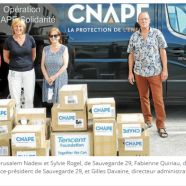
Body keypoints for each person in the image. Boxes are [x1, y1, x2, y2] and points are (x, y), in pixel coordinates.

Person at [127, 12, 168, 138]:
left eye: (145, 19)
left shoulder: (157, 34)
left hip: (155, 71)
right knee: (143, 97)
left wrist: (165, 70)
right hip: (139, 72)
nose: (143, 21)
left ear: (149, 20)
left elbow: (163, 51)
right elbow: (131, 55)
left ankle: (161, 125)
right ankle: (147, 120)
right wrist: (130, 72)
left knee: (158, 99)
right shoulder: (134, 36)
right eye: (141, 19)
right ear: (138, 22)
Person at [3, 18, 36, 109]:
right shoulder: (8, 41)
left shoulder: (30, 39)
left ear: (24, 27)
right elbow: (5, 58)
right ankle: (16, 119)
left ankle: (29, 117)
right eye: (16, 26)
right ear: (13, 28)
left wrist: (26, 63)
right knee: (15, 97)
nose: (18, 28)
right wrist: (15, 63)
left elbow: (34, 56)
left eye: (20, 26)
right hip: (14, 72)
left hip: (28, 71)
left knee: (29, 97)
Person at [41, 27, 68, 104]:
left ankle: (60, 115)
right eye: (51, 36)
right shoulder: (45, 49)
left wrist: (54, 77)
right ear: (49, 38)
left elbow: (65, 65)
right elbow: (42, 65)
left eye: (55, 35)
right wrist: (47, 78)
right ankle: (54, 114)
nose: (53, 37)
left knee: (60, 101)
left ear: (59, 36)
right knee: (52, 101)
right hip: (48, 78)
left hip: (60, 77)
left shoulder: (64, 48)